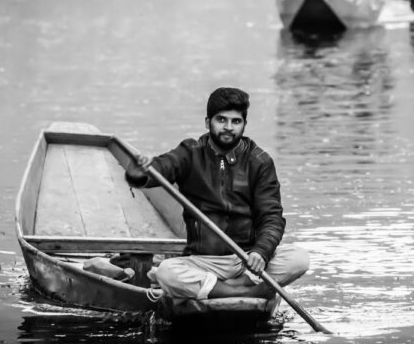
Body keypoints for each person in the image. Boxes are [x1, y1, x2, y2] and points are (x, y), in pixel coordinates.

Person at [125, 87, 310, 300]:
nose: (228, 127)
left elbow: (271, 216)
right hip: (203, 261)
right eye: (221, 120)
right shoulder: (190, 153)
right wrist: (139, 173)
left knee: (299, 258)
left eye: (236, 121)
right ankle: (244, 291)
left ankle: (220, 289)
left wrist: (261, 251)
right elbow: (160, 168)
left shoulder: (259, 161)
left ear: (244, 125)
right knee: (167, 272)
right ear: (208, 122)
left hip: (246, 260)